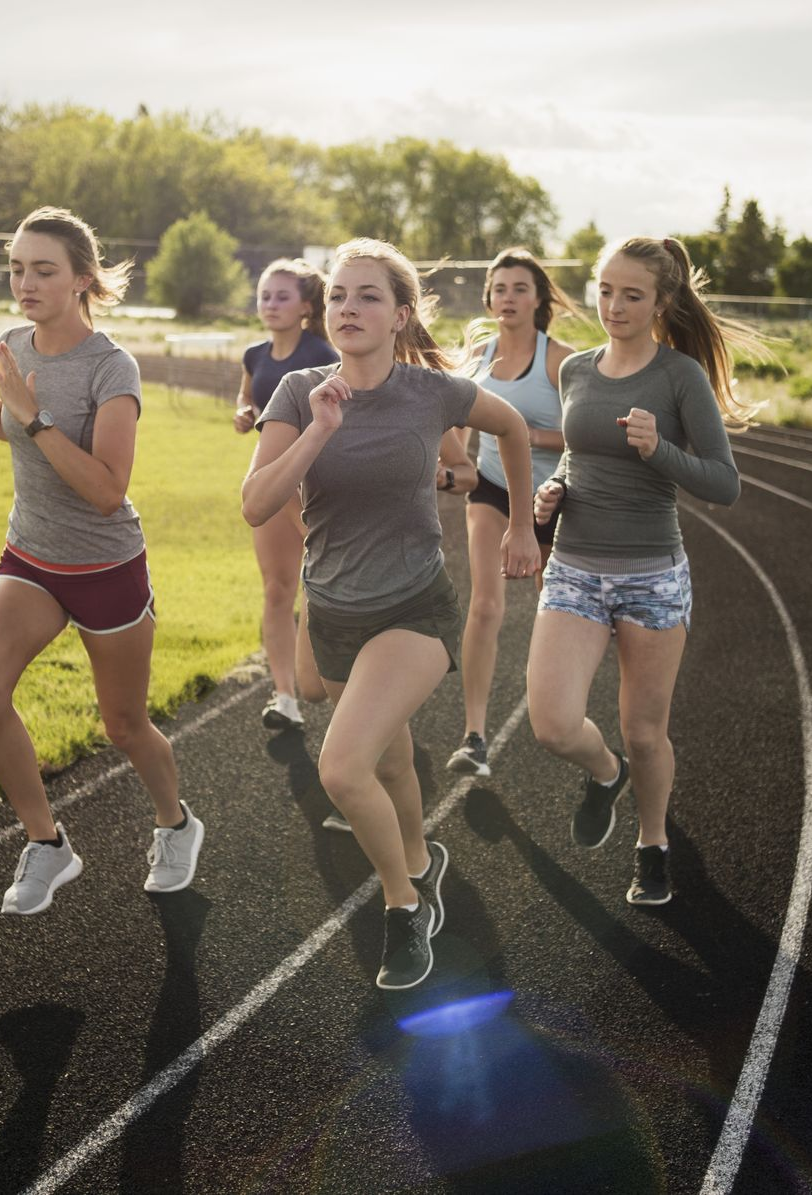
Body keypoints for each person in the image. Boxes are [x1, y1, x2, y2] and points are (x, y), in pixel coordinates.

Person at [242, 238, 537, 990]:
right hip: (334, 609)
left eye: (368, 296)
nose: (349, 308)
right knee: (391, 757)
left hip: (413, 609)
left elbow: (510, 427)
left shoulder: (431, 392)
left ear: (400, 314)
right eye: (339, 295)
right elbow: (255, 503)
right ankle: (420, 856)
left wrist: (521, 522)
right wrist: (319, 429)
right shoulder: (297, 391)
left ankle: (405, 907)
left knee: (342, 767)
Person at [0, 206, 204, 914]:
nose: (25, 283)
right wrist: (2, 420)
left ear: (82, 279)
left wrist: (29, 418)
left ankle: (176, 823)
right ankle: (48, 842)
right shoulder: (11, 342)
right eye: (16, 268)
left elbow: (105, 490)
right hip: (31, 555)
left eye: (43, 270)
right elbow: (30, 424)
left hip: (104, 566)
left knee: (123, 725)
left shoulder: (112, 367)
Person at [527, 235, 766, 908]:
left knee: (644, 729)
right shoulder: (575, 371)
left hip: (651, 577)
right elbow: (578, 457)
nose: (614, 304)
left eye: (632, 294)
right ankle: (605, 774)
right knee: (550, 722)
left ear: (662, 301)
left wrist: (660, 450)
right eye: (605, 289)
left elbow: (725, 484)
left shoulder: (678, 377)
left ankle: (652, 841)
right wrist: (556, 491)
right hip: (573, 566)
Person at [446, 248, 579, 778]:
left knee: (560, 611)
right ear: (488, 298)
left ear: (538, 299)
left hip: (556, 494)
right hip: (493, 490)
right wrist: (453, 464)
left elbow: (584, 434)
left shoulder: (559, 360)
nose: (508, 298)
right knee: (485, 606)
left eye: (519, 288)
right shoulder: (477, 356)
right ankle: (474, 736)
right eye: (499, 289)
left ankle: (564, 717)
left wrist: (521, 433)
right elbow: (457, 421)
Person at [233, 259, 339, 732]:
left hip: (324, 483)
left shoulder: (324, 353)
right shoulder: (255, 354)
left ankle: (351, 699)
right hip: (274, 486)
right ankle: (285, 698)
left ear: (306, 307)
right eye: (264, 296)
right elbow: (250, 401)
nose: (270, 305)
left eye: (282, 297)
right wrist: (242, 414)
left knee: (330, 590)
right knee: (278, 589)